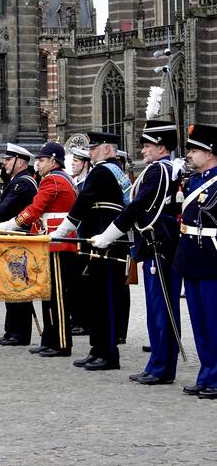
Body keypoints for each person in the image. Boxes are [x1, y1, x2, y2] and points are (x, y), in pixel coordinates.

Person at [90, 120, 181, 385]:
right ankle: (157, 364)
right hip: (155, 246)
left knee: (161, 312)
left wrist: (108, 236)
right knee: (157, 312)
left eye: (147, 145)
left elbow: (137, 208)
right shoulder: (160, 169)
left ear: (162, 147)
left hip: (160, 247)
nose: (142, 150)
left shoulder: (158, 172)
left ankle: (161, 367)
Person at [53, 132, 130, 371]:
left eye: (94, 148)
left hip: (103, 245)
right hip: (104, 243)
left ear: (107, 149)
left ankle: (106, 354)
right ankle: (97, 349)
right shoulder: (114, 172)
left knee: (102, 300)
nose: (90, 152)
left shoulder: (103, 170)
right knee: (98, 299)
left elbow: (82, 204)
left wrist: (61, 232)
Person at [0, 142, 78, 357]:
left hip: (59, 243)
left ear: (53, 161)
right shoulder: (57, 179)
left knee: (58, 297)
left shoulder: (53, 179)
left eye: (41, 160)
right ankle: (49, 339)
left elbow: (35, 209)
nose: (38, 164)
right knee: (48, 295)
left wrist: (10, 224)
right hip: (51, 242)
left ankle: (61, 343)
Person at [173, 124, 217, 399]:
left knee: (213, 322)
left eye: (194, 150)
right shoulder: (193, 181)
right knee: (199, 324)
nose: (189, 154)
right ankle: (207, 373)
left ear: (210, 153)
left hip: (211, 257)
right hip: (191, 257)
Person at [0, 143, 39, 347]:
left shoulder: (23, 183)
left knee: (18, 286)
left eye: (9, 159)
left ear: (21, 162)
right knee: (11, 286)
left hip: (20, 241)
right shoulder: (16, 181)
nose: (5, 162)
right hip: (10, 239)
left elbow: (5, 208)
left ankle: (20, 333)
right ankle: (11, 331)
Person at [68, 147, 93, 336]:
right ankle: (76, 319)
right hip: (73, 238)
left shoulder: (87, 185)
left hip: (84, 237)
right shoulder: (74, 184)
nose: (73, 164)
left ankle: (84, 321)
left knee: (84, 282)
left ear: (85, 163)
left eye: (77, 161)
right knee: (74, 282)